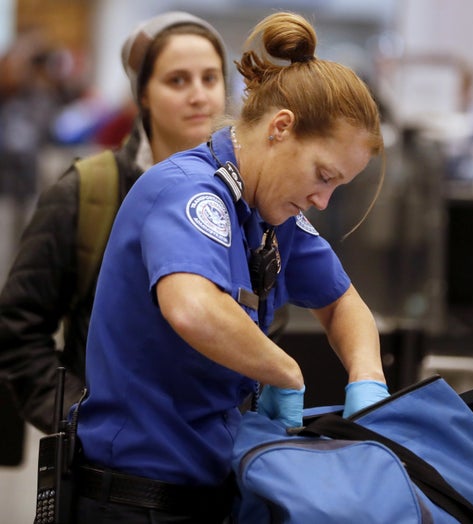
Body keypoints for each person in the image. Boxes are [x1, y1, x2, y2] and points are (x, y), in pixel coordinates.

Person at [73, 11, 389, 524]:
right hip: (135, 501)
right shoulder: (185, 191)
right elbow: (193, 309)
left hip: (212, 490)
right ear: (281, 128)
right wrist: (284, 372)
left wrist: (368, 382)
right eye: (323, 175)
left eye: (338, 187)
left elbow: (342, 303)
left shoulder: (269, 212)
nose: (324, 200)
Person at [0, 11, 228, 434]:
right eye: (178, 80)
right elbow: (18, 328)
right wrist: (79, 420)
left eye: (210, 79)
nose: (199, 96)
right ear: (143, 94)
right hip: (108, 476)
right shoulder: (89, 191)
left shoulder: (244, 198)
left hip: (214, 464)